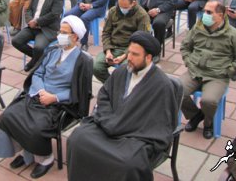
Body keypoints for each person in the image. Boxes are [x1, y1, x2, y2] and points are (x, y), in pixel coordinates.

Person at [67, 31, 178, 181]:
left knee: (129, 164)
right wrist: (109, 121)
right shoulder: (121, 72)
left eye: (135, 55)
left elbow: (161, 123)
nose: (129, 58)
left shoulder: (162, 85)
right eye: (129, 52)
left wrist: (120, 125)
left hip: (135, 137)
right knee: (77, 139)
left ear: (149, 57)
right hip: (108, 126)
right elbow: (104, 97)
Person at [0, 15, 93, 179]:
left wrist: (54, 97)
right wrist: (40, 90)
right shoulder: (53, 50)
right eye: (59, 31)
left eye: (64, 32)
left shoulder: (83, 61)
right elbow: (38, 72)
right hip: (37, 94)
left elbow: (80, 92)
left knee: (36, 128)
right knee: (8, 116)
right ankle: (26, 152)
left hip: (58, 103)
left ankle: (45, 159)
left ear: (75, 36)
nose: (59, 35)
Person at [180, 0, 236, 138]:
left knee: (208, 101)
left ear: (221, 15)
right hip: (195, 70)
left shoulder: (233, 34)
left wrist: (227, 71)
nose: (204, 14)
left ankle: (208, 122)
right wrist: (189, 62)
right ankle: (196, 115)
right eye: (205, 11)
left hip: (217, 75)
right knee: (176, 91)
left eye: (209, 12)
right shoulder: (197, 28)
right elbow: (185, 47)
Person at [93, 0, 151, 83]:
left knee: (126, 71)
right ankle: (111, 86)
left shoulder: (142, 15)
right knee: (97, 67)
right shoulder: (113, 11)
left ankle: (121, 89)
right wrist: (108, 51)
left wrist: (125, 55)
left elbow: (141, 40)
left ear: (133, 3)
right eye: (120, 6)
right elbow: (106, 33)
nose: (122, 9)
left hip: (130, 49)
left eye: (125, 7)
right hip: (113, 47)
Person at [11, 0, 63, 72]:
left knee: (38, 47)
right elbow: (28, 10)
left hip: (47, 28)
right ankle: (39, 59)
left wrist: (37, 21)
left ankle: (34, 61)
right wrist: (30, 20)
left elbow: (54, 15)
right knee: (16, 41)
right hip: (32, 27)